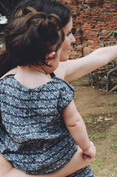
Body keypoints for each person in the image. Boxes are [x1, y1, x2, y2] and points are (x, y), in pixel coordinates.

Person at [0, 0, 117, 177]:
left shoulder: (45, 73)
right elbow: (6, 173)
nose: (73, 40)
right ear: (46, 39)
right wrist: (75, 163)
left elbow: (96, 57)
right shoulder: (6, 87)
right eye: (68, 33)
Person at [0, 12, 96, 176]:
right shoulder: (57, 88)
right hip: (60, 159)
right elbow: (74, 123)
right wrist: (87, 147)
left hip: (23, 164)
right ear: (50, 57)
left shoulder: (3, 86)